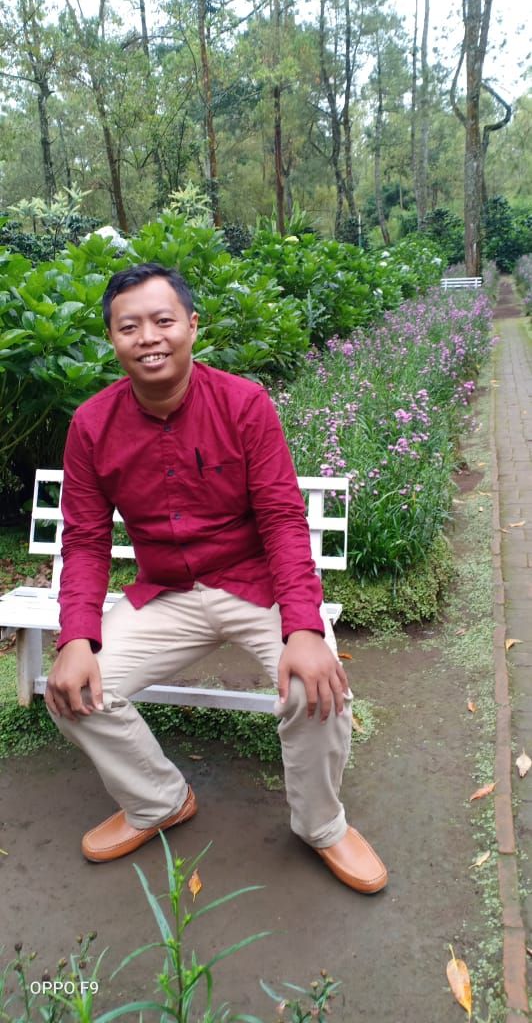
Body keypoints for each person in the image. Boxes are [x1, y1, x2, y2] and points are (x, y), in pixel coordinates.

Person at [45, 262, 387, 894]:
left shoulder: (243, 403)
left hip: (253, 585)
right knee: (74, 690)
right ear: (113, 339)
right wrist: (75, 638)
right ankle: (159, 801)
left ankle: (321, 825)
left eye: (163, 320)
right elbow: (86, 540)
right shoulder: (91, 426)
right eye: (129, 326)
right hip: (166, 592)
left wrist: (304, 628)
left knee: (315, 684)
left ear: (192, 326)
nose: (148, 337)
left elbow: (283, 518)